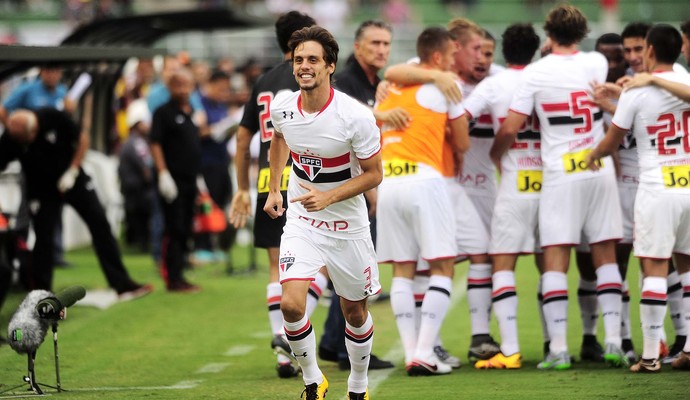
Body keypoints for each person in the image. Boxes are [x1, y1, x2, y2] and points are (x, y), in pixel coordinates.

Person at [494, 4, 625, 370]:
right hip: (598, 166)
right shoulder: (597, 63)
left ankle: (559, 349)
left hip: (561, 172)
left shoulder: (535, 73)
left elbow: (510, 127)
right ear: (582, 33)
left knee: (555, 256)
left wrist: (496, 157)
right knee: (605, 255)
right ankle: (614, 341)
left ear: (548, 34)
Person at [264, 25, 383, 399]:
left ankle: (358, 385)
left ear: (330, 66)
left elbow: (374, 174)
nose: (304, 66)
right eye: (299, 59)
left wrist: (330, 197)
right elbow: (280, 138)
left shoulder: (355, 117)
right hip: (303, 218)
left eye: (313, 59)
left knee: (354, 314)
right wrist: (274, 188)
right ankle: (314, 381)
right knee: (291, 304)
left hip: (347, 224)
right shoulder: (283, 107)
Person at [228, 11, 328, 379]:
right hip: (305, 176)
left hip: (268, 181)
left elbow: (243, 137)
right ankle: (290, 339)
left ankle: (282, 348)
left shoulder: (264, 80)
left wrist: (241, 187)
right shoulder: (314, 72)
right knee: (322, 266)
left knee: (278, 266)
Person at [585, 24, 690, 373]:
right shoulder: (683, 79)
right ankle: (688, 345)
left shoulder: (638, 92)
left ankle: (648, 355)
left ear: (649, 50)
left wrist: (592, 155)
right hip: (688, 184)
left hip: (657, 187)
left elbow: (612, 142)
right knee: (687, 269)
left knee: (654, 268)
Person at [376, 26, 469, 376]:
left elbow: (393, 73)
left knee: (402, 269)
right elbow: (461, 144)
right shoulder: (442, 85)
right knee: (442, 266)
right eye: (449, 58)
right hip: (424, 180)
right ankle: (426, 352)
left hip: (389, 181)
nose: (452, 66)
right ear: (436, 58)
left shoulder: (389, 90)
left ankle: (413, 350)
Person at [0, 108, 152, 299]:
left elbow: (82, 139)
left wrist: (73, 170)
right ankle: (40, 295)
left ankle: (122, 283)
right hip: (42, 190)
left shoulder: (53, 117)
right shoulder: (12, 137)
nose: (22, 144)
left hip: (72, 179)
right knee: (44, 239)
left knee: (100, 225)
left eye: (24, 140)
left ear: (33, 131)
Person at [318, 19, 399, 372]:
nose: (382, 49)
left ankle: (334, 342)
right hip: (346, 192)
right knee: (355, 274)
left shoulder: (373, 83)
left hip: (361, 188)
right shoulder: (346, 83)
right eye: (375, 43)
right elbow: (339, 122)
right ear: (359, 45)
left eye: (386, 43)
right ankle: (339, 347)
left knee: (352, 273)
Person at [467, 23, 541, 369]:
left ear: (503, 51)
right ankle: (559, 348)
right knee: (554, 263)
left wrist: (495, 155)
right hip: (553, 181)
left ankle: (510, 349)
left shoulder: (494, 85)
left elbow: (460, 116)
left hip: (514, 179)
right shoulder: (546, 77)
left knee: (502, 263)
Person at [1, 65, 77, 268]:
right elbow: (4, 108)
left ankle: (56, 253)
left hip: (53, 160)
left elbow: (72, 127)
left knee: (55, 211)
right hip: (31, 158)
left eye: (55, 71)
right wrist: (15, 129)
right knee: (28, 210)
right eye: (48, 71)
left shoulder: (63, 92)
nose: (52, 74)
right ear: (41, 72)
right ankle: (19, 250)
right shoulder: (27, 89)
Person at [150, 68, 202, 293]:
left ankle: (180, 273)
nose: (182, 90)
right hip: (172, 179)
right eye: (177, 85)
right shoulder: (163, 113)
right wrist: (162, 173)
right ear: (170, 87)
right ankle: (172, 277)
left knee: (186, 227)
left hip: (190, 179)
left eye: (186, 85)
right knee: (174, 227)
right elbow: (155, 143)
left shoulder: (190, 112)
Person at [118, 98, 154, 252]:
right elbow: (145, 167)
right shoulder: (135, 143)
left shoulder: (138, 141)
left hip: (134, 188)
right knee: (139, 216)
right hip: (136, 189)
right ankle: (140, 243)